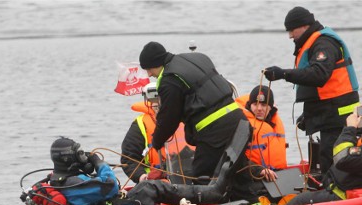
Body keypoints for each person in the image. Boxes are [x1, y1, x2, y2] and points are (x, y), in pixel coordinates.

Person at [263, 6, 359, 177]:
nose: (290, 35)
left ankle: (334, 194)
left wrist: (283, 74)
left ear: (305, 26)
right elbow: (322, 88)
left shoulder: (324, 44)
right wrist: (310, 115)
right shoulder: (314, 42)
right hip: (330, 111)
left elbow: (319, 74)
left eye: (292, 30)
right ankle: (329, 187)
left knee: (331, 158)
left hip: (339, 116)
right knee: (325, 155)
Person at [138, 41, 249, 181]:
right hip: (240, 122)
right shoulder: (198, 58)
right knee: (238, 172)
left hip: (215, 132)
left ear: (157, 63)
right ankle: (250, 201)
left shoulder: (169, 80)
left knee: (202, 178)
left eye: (149, 69)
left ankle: (207, 202)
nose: (148, 74)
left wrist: (157, 141)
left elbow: (169, 120)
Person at [120, 82, 188, 183]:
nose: (157, 104)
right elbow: (129, 158)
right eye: (153, 101)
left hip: (192, 176)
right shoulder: (141, 124)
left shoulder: (190, 118)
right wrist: (143, 177)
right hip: (157, 183)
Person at [236, 85, 287, 170]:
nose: (259, 109)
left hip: (278, 175)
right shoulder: (242, 124)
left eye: (263, 105)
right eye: (255, 104)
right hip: (252, 176)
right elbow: (236, 160)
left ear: (271, 107)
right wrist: (258, 171)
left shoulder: (275, 122)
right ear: (250, 105)